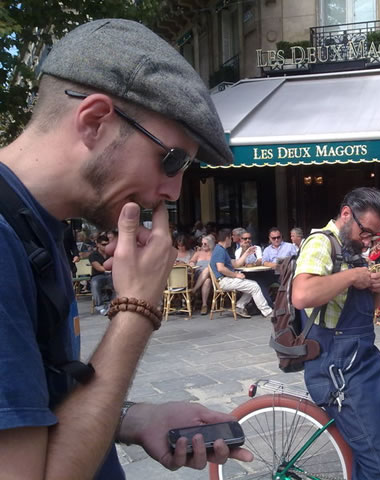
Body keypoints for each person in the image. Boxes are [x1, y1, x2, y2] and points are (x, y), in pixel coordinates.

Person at [0, 18, 251, 479]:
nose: (175, 190)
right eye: (171, 159)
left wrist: (132, 418)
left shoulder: (37, 224)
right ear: (95, 120)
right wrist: (136, 309)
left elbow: (42, 402)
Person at [292, 187, 380, 479]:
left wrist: (378, 290)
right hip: (337, 365)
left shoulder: (351, 249)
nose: (368, 240)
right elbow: (301, 294)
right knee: (378, 461)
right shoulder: (321, 243)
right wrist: (351, 276)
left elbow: (363, 315)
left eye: (374, 235)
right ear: (347, 214)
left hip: (364, 358)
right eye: (366, 232)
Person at [211, 229, 273, 319]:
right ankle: (267, 312)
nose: (232, 239)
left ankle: (239, 306)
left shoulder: (221, 250)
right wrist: (236, 275)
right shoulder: (219, 251)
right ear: (227, 238)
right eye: (231, 237)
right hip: (224, 281)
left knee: (251, 284)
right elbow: (221, 268)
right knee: (254, 286)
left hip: (226, 280)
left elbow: (236, 264)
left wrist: (246, 253)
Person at [89, 234, 115, 315]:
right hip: (98, 275)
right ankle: (99, 306)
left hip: (111, 275)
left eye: (108, 244)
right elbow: (99, 268)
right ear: (98, 245)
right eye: (104, 244)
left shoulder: (112, 253)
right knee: (95, 283)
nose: (106, 246)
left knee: (118, 282)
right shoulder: (93, 255)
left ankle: (113, 304)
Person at [189, 235, 215, 315]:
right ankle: (204, 305)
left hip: (212, 275)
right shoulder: (198, 253)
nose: (203, 245)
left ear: (210, 244)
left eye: (205, 244)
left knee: (207, 270)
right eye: (202, 243)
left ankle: (194, 290)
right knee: (207, 281)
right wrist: (192, 263)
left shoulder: (214, 253)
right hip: (198, 275)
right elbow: (192, 261)